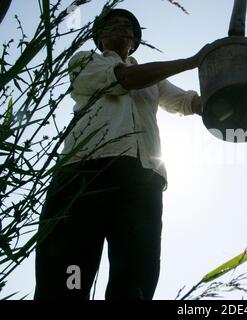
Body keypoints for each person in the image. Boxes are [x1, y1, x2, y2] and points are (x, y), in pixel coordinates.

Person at [34, 8, 208, 300]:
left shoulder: (154, 79)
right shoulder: (84, 61)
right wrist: (191, 62)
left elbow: (186, 102)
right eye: (110, 24)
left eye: (126, 25)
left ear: (134, 41)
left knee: (135, 278)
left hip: (142, 181)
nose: (118, 27)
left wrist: (222, 98)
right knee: (67, 274)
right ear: (99, 37)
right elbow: (124, 80)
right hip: (84, 172)